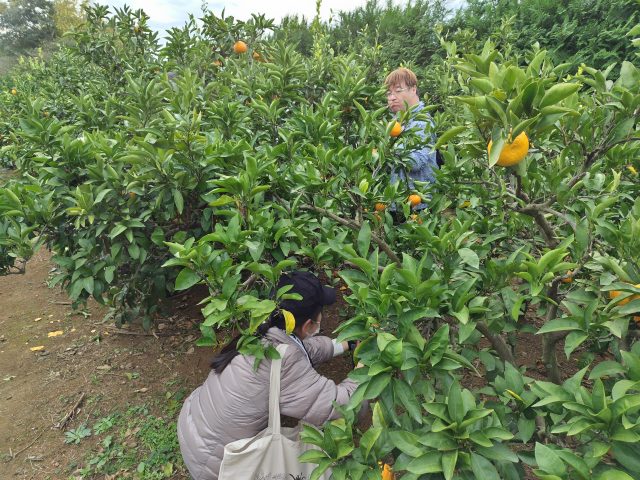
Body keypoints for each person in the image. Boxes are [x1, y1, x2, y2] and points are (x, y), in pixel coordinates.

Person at [177, 271, 360, 480]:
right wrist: (365, 367)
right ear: (309, 324)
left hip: (195, 435)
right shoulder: (285, 363)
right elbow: (340, 407)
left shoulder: (260, 330)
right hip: (221, 467)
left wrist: (345, 344)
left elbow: (302, 349)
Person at [385, 67, 440, 211]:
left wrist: (394, 144)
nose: (392, 97)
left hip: (418, 206)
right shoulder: (396, 124)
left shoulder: (421, 122)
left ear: (413, 89)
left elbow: (415, 162)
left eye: (398, 91)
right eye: (389, 93)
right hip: (397, 205)